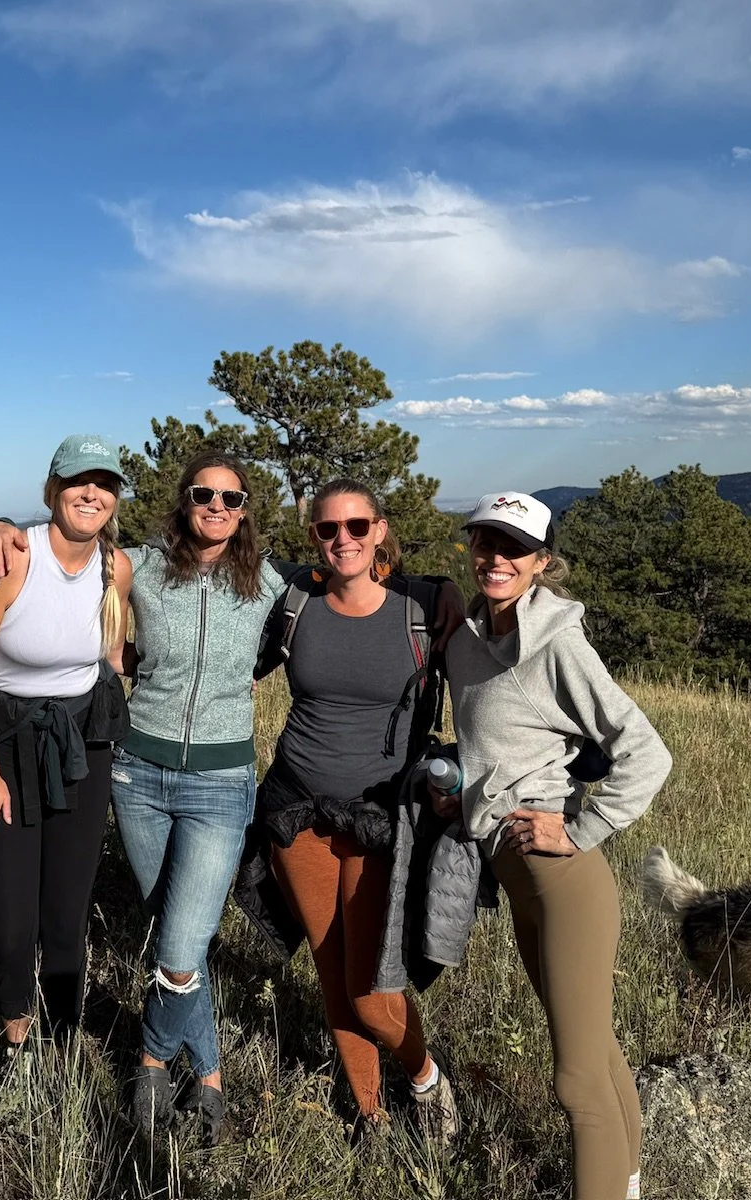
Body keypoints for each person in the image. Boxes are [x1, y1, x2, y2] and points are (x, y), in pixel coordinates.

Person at [0, 455, 284, 1145]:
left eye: (230, 498)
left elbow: (355, 590)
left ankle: (151, 1063)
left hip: (219, 781)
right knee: (179, 931)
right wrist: (0, 524)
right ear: (184, 502)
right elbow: (70, 549)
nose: (216, 505)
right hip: (138, 773)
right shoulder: (137, 566)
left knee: (180, 942)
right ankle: (207, 1078)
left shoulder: (270, 582)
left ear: (243, 510)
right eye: (203, 494)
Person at [439, 491, 671, 1200]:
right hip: (516, 876)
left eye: (514, 549)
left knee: (573, 1081)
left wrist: (580, 829)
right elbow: (501, 747)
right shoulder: (468, 638)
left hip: (564, 880)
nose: (496, 559)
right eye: (486, 543)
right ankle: (626, 1184)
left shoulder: (558, 644)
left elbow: (648, 753)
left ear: (542, 562)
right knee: (595, 1052)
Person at [245, 479, 459, 1137]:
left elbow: (492, 678)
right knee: (332, 972)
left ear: (380, 530)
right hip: (296, 812)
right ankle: (370, 1113)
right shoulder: (295, 601)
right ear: (313, 536)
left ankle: (427, 1083)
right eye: (327, 529)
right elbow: (220, 647)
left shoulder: (423, 607)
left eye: (357, 526)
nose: (343, 539)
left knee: (372, 992)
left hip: (381, 818)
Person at [0, 435, 133, 1073]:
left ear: (114, 498)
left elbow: (109, 659)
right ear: (52, 489)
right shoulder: (12, 562)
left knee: (68, 900)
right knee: (9, 905)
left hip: (82, 744)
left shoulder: (117, 569)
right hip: (3, 744)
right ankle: (14, 1036)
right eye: (79, 480)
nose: (92, 493)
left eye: (104, 483)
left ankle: (62, 1032)